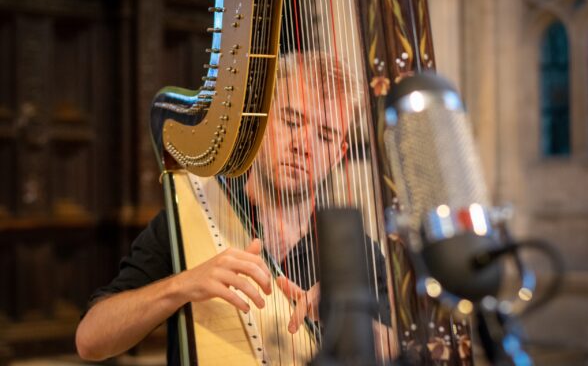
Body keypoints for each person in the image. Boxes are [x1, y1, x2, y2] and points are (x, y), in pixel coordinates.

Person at [76, 50, 394, 364]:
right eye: (292, 120)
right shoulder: (189, 219)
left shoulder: (357, 254)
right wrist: (181, 285)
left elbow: (396, 348)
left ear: (339, 155)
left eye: (324, 136)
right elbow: (90, 340)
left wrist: (352, 320)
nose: (304, 146)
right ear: (260, 123)